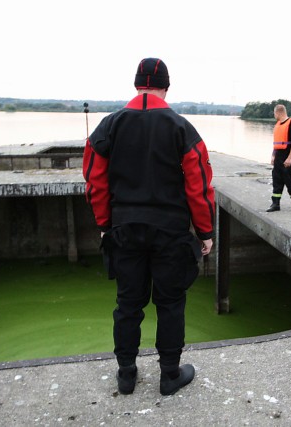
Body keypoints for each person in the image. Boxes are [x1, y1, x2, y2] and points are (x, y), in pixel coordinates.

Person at [82, 57, 215, 395]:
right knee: (170, 303)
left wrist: (103, 223)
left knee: (128, 303)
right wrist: (205, 231)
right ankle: (169, 375)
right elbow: (198, 186)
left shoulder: (109, 125)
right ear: (166, 88)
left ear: (137, 84)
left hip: (124, 228)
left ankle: (126, 373)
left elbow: (94, 181)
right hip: (170, 231)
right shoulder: (181, 127)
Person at [266, 104, 291, 214]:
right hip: (278, 156)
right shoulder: (277, 125)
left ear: (278, 112)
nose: (274, 115)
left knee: (290, 180)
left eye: (274, 113)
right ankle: (275, 204)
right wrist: (273, 156)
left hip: (288, 157)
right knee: (276, 179)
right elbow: (276, 144)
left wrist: (290, 158)